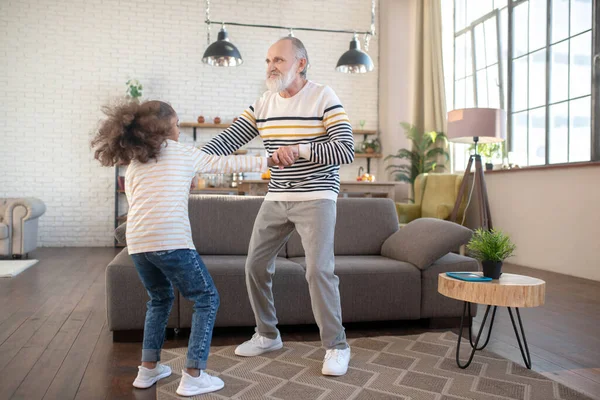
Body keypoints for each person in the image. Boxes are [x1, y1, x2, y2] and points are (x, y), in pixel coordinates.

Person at [90, 100, 278, 396]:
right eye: (176, 125)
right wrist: (270, 159)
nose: (179, 130)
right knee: (206, 298)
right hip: (171, 241)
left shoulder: (136, 162)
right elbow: (225, 164)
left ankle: (148, 369)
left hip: (137, 244)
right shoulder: (181, 153)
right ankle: (193, 374)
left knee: (160, 299)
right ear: (163, 129)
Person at [202, 37, 355, 376]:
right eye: (269, 60)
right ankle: (267, 334)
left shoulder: (323, 96)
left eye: (280, 60)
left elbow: (345, 150)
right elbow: (225, 141)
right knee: (255, 265)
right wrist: (185, 157)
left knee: (318, 271)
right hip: (277, 196)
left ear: (300, 63)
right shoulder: (263, 104)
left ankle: (337, 345)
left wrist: (300, 149)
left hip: (316, 195)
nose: (272, 66)